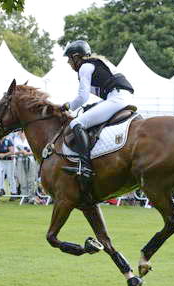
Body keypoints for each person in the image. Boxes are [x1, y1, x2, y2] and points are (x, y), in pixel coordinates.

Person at [60, 40, 134, 199]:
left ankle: (85, 166)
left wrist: (68, 106)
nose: (68, 63)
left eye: (69, 59)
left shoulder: (85, 67)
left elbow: (82, 97)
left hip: (117, 98)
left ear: (76, 57)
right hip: (123, 97)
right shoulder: (97, 63)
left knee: (76, 123)